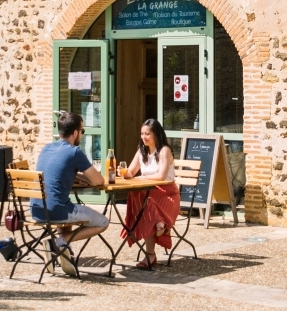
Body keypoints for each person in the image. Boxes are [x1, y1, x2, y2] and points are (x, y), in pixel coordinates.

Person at [31, 112, 111, 276]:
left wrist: (78, 175)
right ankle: (59, 242)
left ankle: (63, 251)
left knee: (67, 207)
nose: (81, 134)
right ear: (75, 133)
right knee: (103, 222)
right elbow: (98, 181)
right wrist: (90, 177)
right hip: (57, 210)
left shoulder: (46, 148)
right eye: (82, 131)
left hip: (37, 210)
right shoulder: (74, 152)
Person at [118, 119, 179, 271]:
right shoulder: (141, 151)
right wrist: (124, 172)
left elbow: (161, 176)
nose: (144, 137)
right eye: (142, 134)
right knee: (138, 195)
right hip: (149, 193)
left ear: (156, 134)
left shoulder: (164, 150)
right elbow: (131, 172)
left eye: (147, 134)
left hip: (167, 194)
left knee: (145, 201)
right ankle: (156, 231)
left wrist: (141, 178)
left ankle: (158, 225)